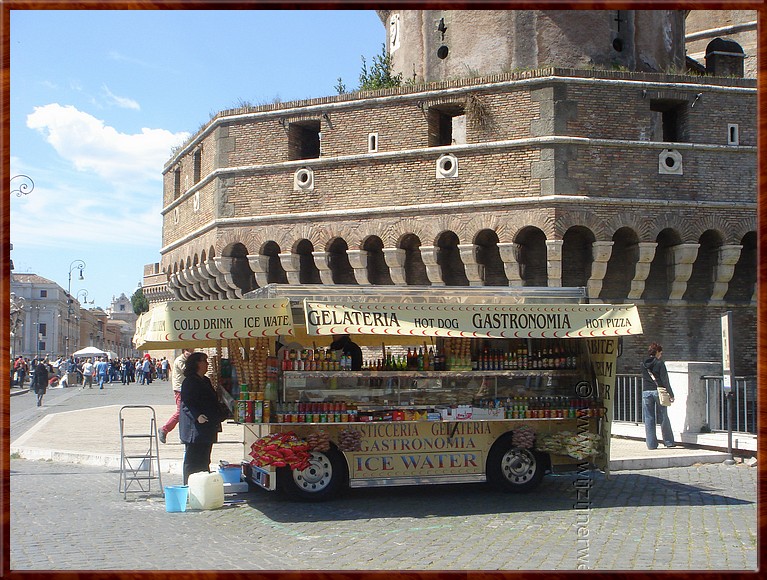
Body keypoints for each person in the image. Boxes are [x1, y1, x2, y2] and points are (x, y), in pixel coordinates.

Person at [179, 351, 223, 484]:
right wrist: (197, 416)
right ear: (197, 364)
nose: (207, 364)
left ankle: (203, 486)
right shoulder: (190, 381)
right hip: (195, 429)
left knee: (205, 459)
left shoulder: (206, 380)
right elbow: (186, 403)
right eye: (204, 361)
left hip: (208, 426)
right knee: (193, 460)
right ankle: (190, 486)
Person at [641, 342, 676, 450]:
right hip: (659, 391)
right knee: (664, 416)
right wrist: (671, 394)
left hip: (646, 391)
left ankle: (651, 444)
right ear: (656, 352)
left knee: (649, 418)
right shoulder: (660, 363)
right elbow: (665, 380)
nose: (661, 355)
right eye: (660, 353)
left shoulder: (643, 364)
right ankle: (668, 441)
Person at [158, 348, 194, 444]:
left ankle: (185, 435)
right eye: (188, 352)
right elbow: (188, 372)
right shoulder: (180, 361)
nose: (190, 353)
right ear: (184, 351)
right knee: (180, 412)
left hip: (186, 388)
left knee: (187, 413)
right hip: (180, 389)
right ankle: (164, 429)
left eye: (192, 351)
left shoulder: (186, 361)